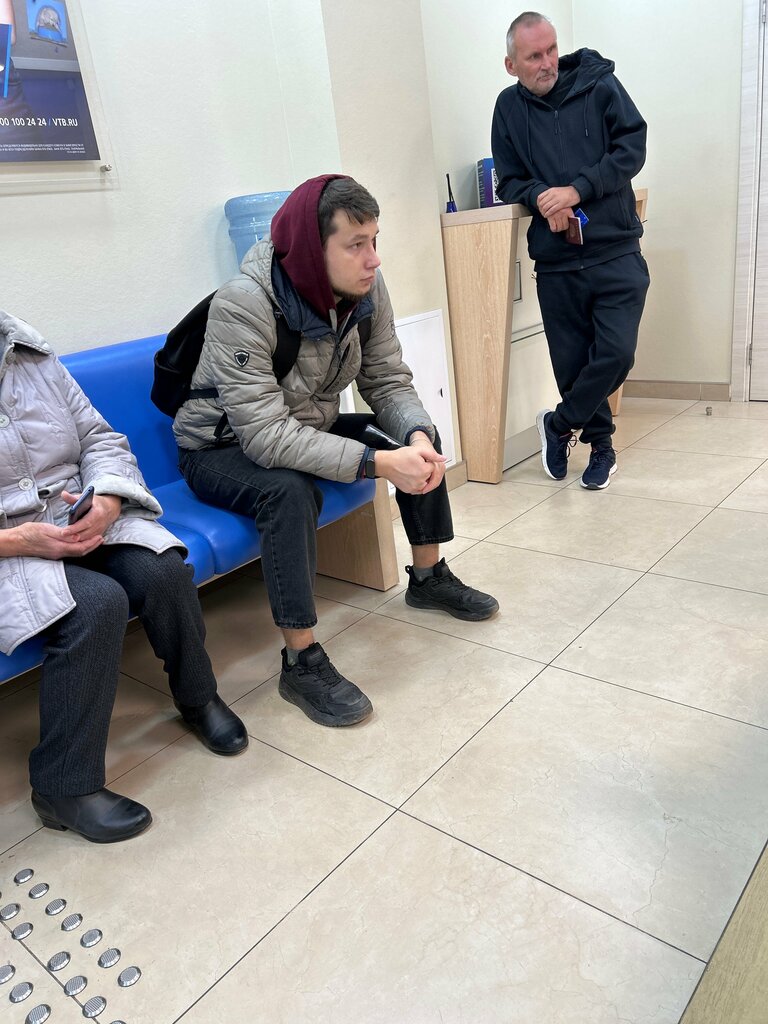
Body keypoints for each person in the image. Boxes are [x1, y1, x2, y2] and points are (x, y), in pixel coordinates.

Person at [174, 174, 499, 728]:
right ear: (311, 248)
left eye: (374, 240)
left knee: (414, 438)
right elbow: (264, 436)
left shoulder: (368, 289)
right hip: (220, 447)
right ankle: (300, 660)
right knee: (287, 490)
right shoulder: (244, 304)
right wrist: (377, 464)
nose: (373, 259)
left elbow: (387, 380)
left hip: (304, 426)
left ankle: (428, 579)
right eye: (355, 245)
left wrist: (416, 437)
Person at [0, 311, 248, 844]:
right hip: (8, 547)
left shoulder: (29, 353)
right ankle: (62, 787)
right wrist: (18, 541)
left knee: (163, 571)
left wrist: (108, 499)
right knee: (95, 604)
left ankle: (198, 698)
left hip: (75, 516)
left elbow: (99, 438)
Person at [491, 11, 650, 489]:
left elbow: (632, 147)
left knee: (617, 353)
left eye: (551, 50)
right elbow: (509, 180)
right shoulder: (507, 108)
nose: (547, 63)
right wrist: (541, 195)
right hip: (557, 261)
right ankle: (601, 448)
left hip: (615, 248)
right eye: (533, 56)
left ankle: (559, 425)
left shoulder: (600, 85)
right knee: (572, 363)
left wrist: (577, 190)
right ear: (511, 65)